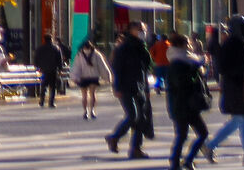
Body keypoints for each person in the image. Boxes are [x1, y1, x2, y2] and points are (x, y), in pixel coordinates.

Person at [204, 16, 244, 166]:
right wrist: (243, 71)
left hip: (238, 86)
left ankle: (210, 145)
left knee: (241, 120)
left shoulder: (240, 42)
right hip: (236, 87)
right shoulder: (234, 43)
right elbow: (223, 67)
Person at [109, 21, 154, 160]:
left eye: (144, 29)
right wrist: (117, 87)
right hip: (126, 86)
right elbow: (117, 68)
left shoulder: (142, 47)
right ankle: (114, 137)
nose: (143, 32)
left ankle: (136, 148)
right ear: (131, 30)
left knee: (141, 119)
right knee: (133, 115)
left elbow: (146, 68)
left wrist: (146, 88)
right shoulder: (124, 48)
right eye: (140, 29)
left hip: (139, 86)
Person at [164, 33, 210, 170]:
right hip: (181, 105)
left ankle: (187, 159)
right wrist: (196, 69)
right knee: (183, 135)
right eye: (188, 44)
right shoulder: (178, 62)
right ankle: (176, 162)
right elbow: (183, 82)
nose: (190, 46)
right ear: (181, 45)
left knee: (201, 133)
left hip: (188, 105)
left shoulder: (187, 60)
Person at [77, 35, 114, 121]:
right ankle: (92, 111)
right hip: (94, 76)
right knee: (92, 94)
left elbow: (76, 67)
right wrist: (108, 76)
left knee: (84, 96)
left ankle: (85, 111)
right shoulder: (97, 54)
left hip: (83, 77)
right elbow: (102, 66)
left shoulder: (79, 55)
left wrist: (74, 77)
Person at [35, 30, 65, 108]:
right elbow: (60, 60)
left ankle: (41, 101)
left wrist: (38, 67)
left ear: (44, 40)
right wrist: (60, 69)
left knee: (43, 86)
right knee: (52, 87)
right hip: (53, 70)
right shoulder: (56, 48)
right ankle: (51, 102)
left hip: (44, 70)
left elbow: (36, 59)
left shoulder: (40, 49)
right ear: (51, 39)